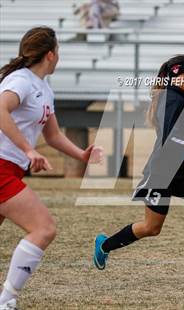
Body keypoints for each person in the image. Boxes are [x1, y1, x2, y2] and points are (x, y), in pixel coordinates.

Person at [93, 55, 184, 284]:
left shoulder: (181, 96)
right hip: (161, 174)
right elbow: (170, 141)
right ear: (174, 75)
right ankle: (104, 244)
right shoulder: (170, 99)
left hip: (181, 171)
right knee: (151, 228)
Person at [0, 27, 103, 310]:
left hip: (10, 169)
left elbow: (53, 136)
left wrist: (82, 154)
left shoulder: (44, 87)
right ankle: (6, 300)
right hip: (1, 168)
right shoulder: (21, 81)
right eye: (58, 52)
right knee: (44, 228)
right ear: (50, 54)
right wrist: (28, 149)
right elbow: (0, 110)